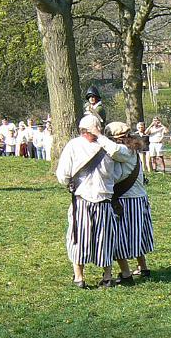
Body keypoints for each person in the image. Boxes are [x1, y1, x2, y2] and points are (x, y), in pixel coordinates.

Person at [55, 115, 132, 288]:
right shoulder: (76, 145)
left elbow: (124, 156)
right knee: (83, 237)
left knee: (98, 238)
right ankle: (83, 277)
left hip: (100, 199)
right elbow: (63, 175)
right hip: (85, 199)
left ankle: (99, 277)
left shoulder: (107, 146)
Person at [103, 122, 154, 284]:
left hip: (127, 201)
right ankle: (143, 267)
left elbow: (115, 157)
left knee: (120, 238)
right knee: (136, 236)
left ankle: (126, 274)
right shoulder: (130, 149)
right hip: (136, 199)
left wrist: (98, 138)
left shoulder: (123, 150)